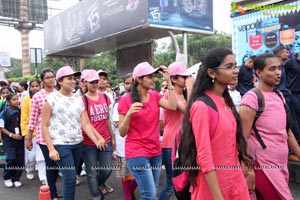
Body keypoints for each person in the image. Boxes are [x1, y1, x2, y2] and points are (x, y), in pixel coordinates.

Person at [179, 47, 253, 200]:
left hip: (235, 181)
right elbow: (204, 157)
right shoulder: (201, 107)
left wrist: (247, 171)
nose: (236, 71)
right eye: (229, 67)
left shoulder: (226, 100)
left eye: (235, 66)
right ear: (211, 73)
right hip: (213, 188)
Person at [239, 53, 300, 200]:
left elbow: (287, 132)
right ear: (258, 72)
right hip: (262, 165)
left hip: (280, 164)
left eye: (279, 68)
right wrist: (249, 172)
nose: (278, 72)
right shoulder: (252, 98)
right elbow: (242, 139)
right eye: (272, 69)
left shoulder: (279, 96)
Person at [41, 66, 106, 200]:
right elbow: (44, 125)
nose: (72, 81)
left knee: (71, 176)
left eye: (74, 78)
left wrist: (97, 139)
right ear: (60, 81)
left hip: (78, 143)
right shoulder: (51, 99)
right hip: (60, 144)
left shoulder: (78, 99)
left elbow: (85, 123)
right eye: (69, 78)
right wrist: (51, 149)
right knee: (70, 178)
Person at [118, 61, 177, 200]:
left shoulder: (155, 95)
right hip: (137, 152)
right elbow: (122, 132)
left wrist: (169, 82)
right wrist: (128, 115)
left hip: (156, 152)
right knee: (150, 195)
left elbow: (173, 106)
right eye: (149, 76)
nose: (153, 79)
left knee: (151, 193)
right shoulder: (126, 100)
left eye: (153, 76)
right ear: (139, 79)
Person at [158, 61, 193, 200]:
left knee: (182, 181)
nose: (187, 79)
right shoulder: (170, 95)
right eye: (184, 77)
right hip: (171, 143)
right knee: (172, 182)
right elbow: (190, 112)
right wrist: (190, 88)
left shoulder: (183, 95)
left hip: (181, 142)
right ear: (173, 79)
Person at [81, 69, 115, 200]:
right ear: (85, 83)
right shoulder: (83, 100)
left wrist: (112, 138)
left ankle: (100, 183)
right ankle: (97, 196)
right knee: (92, 172)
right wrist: (96, 138)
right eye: (92, 82)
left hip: (105, 139)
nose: (95, 84)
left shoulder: (105, 97)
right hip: (88, 142)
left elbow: (107, 119)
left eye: (97, 81)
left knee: (107, 169)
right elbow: (86, 123)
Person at [26, 68, 60, 200]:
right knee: (51, 165)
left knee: (58, 165)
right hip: (43, 137)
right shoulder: (37, 96)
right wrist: (29, 139)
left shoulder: (59, 94)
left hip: (59, 135)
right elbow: (32, 119)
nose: (51, 79)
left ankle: (53, 189)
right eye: (47, 77)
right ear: (43, 80)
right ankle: (53, 194)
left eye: (53, 77)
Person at [113, 73, 138, 200]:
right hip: (122, 145)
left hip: (138, 146)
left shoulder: (144, 100)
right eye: (127, 83)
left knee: (138, 175)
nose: (130, 86)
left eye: (132, 82)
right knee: (125, 175)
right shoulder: (119, 102)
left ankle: (130, 193)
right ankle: (128, 196)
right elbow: (117, 124)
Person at [20, 79, 46, 183]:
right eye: (32, 86)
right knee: (31, 155)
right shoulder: (26, 99)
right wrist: (26, 134)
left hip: (42, 131)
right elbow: (24, 118)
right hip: (30, 132)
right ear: (29, 88)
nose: (34, 88)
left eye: (36, 86)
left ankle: (43, 176)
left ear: (41, 86)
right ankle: (29, 170)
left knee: (41, 156)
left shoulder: (45, 97)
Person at [0, 93, 24, 188]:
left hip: (20, 139)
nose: (17, 101)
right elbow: (1, 127)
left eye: (17, 99)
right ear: (8, 102)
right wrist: (11, 135)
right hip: (9, 140)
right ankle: (7, 177)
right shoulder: (4, 113)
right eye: (14, 99)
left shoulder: (21, 111)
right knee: (11, 159)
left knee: (20, 160)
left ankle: (16, 178)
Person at [283, 52, 300, 161]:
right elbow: (283, 78)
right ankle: (292, 152)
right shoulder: (290, 62)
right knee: (293, 123)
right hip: (291, 95)